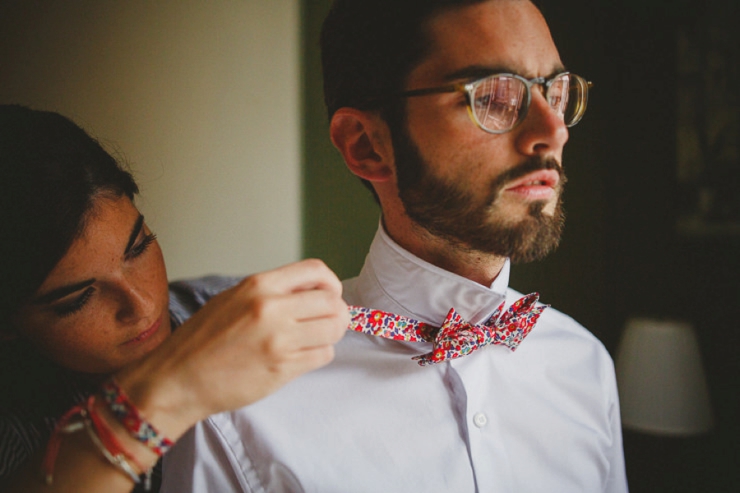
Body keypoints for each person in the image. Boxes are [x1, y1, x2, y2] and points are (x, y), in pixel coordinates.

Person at [162, 0, 628, 491]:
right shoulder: (241, 409)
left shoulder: (585, 366)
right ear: (366, 144)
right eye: (492, 97)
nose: (553, 131)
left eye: (555, 93)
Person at [0, 104, 349, 493]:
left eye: (138, 247)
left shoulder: (251, 312)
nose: (143, 304)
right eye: (78, 299)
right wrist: (171, 389)